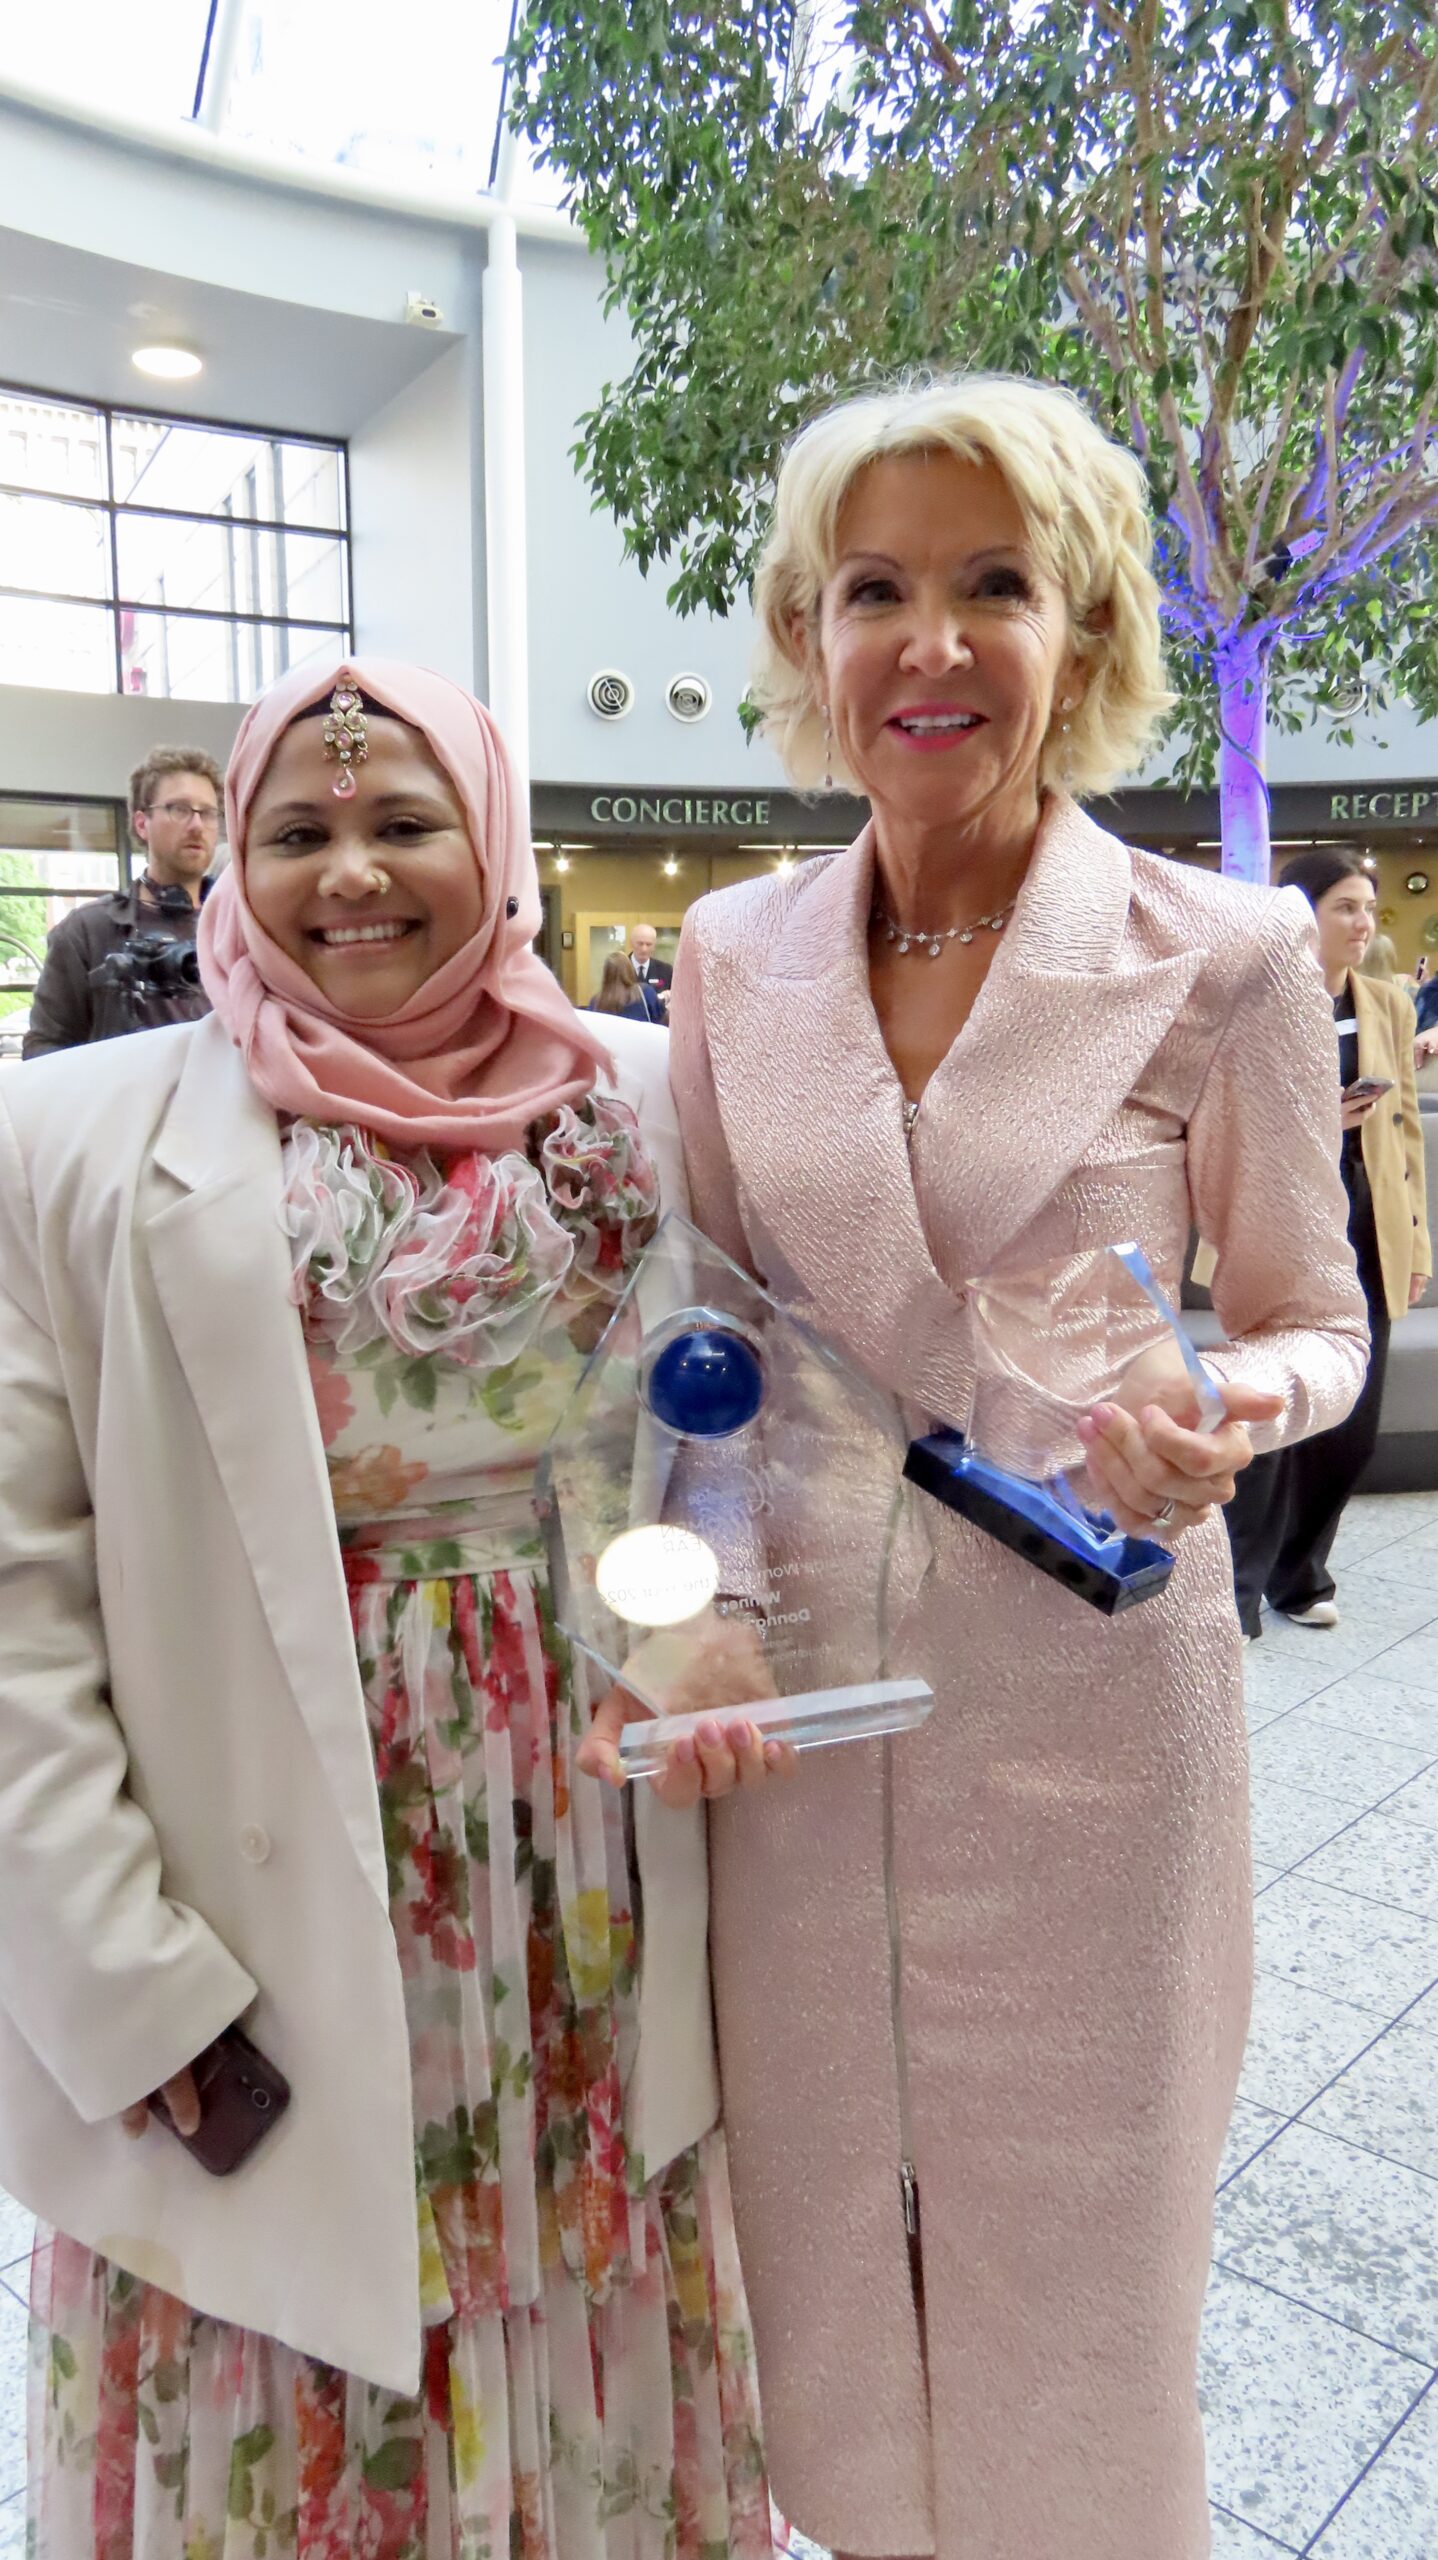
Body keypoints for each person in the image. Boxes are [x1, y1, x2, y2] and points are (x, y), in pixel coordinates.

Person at [658, 376, 1368, 2560]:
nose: (930, 641)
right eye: (875, 587)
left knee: (1077, 2266)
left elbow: (1314, 1322)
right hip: (803, 1710)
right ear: (805, 634)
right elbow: (693, 1347)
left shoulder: (1218, 952)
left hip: (1086, 1698)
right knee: (824, 2258)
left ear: (1080, 632)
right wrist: (679, 1622)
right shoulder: (728, 952)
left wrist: (1217, 1410)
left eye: (994, 584)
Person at [0, 658, 779, 2560]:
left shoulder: (650, 1099)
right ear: (222, 862)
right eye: (300, 831)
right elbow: (15, 1600)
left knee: (571, 2299)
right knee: (293, 2331)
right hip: (244, 1903)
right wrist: (119, 1984)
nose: (353, 873)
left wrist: (708, 1630)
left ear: (494, 848)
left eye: (404, 822)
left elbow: (721, 1427)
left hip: (584, 1880)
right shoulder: (72, 1139)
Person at [1224, 847, 1430, 1637]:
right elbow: (1226, 1126)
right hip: (1284, 1222)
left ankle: (1299, 1573)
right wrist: (1316, 1118)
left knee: (1354, 1425)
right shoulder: (1259, 1003)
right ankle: (1238, 1587)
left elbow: (1404, 1131)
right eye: (1345, 905)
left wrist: (1415, 1243)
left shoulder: (1387, 1004)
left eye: (1368, 908)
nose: (1362, 921)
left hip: (1368, 1226)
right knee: (1275, 1413)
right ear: (1299, 914)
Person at [22, 746, 221, 1057]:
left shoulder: (242, 927)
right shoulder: (86, 932)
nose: (197, 825)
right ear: (142, 823)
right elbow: (44, 1050)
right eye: (179, 809)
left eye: (207, 812)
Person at [589, 948, 651, 1019]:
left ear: (606, 973)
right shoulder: (644, 992)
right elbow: (659, 1020)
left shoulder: (596, 1001)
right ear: (629, 969)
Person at [628, 923, 671, 1021]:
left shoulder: (666, 970)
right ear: (631, 943)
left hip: (656, 1027)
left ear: (654, 945)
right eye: (640, 943)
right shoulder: (619, 969)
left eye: (648, 944)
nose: (644, 949)